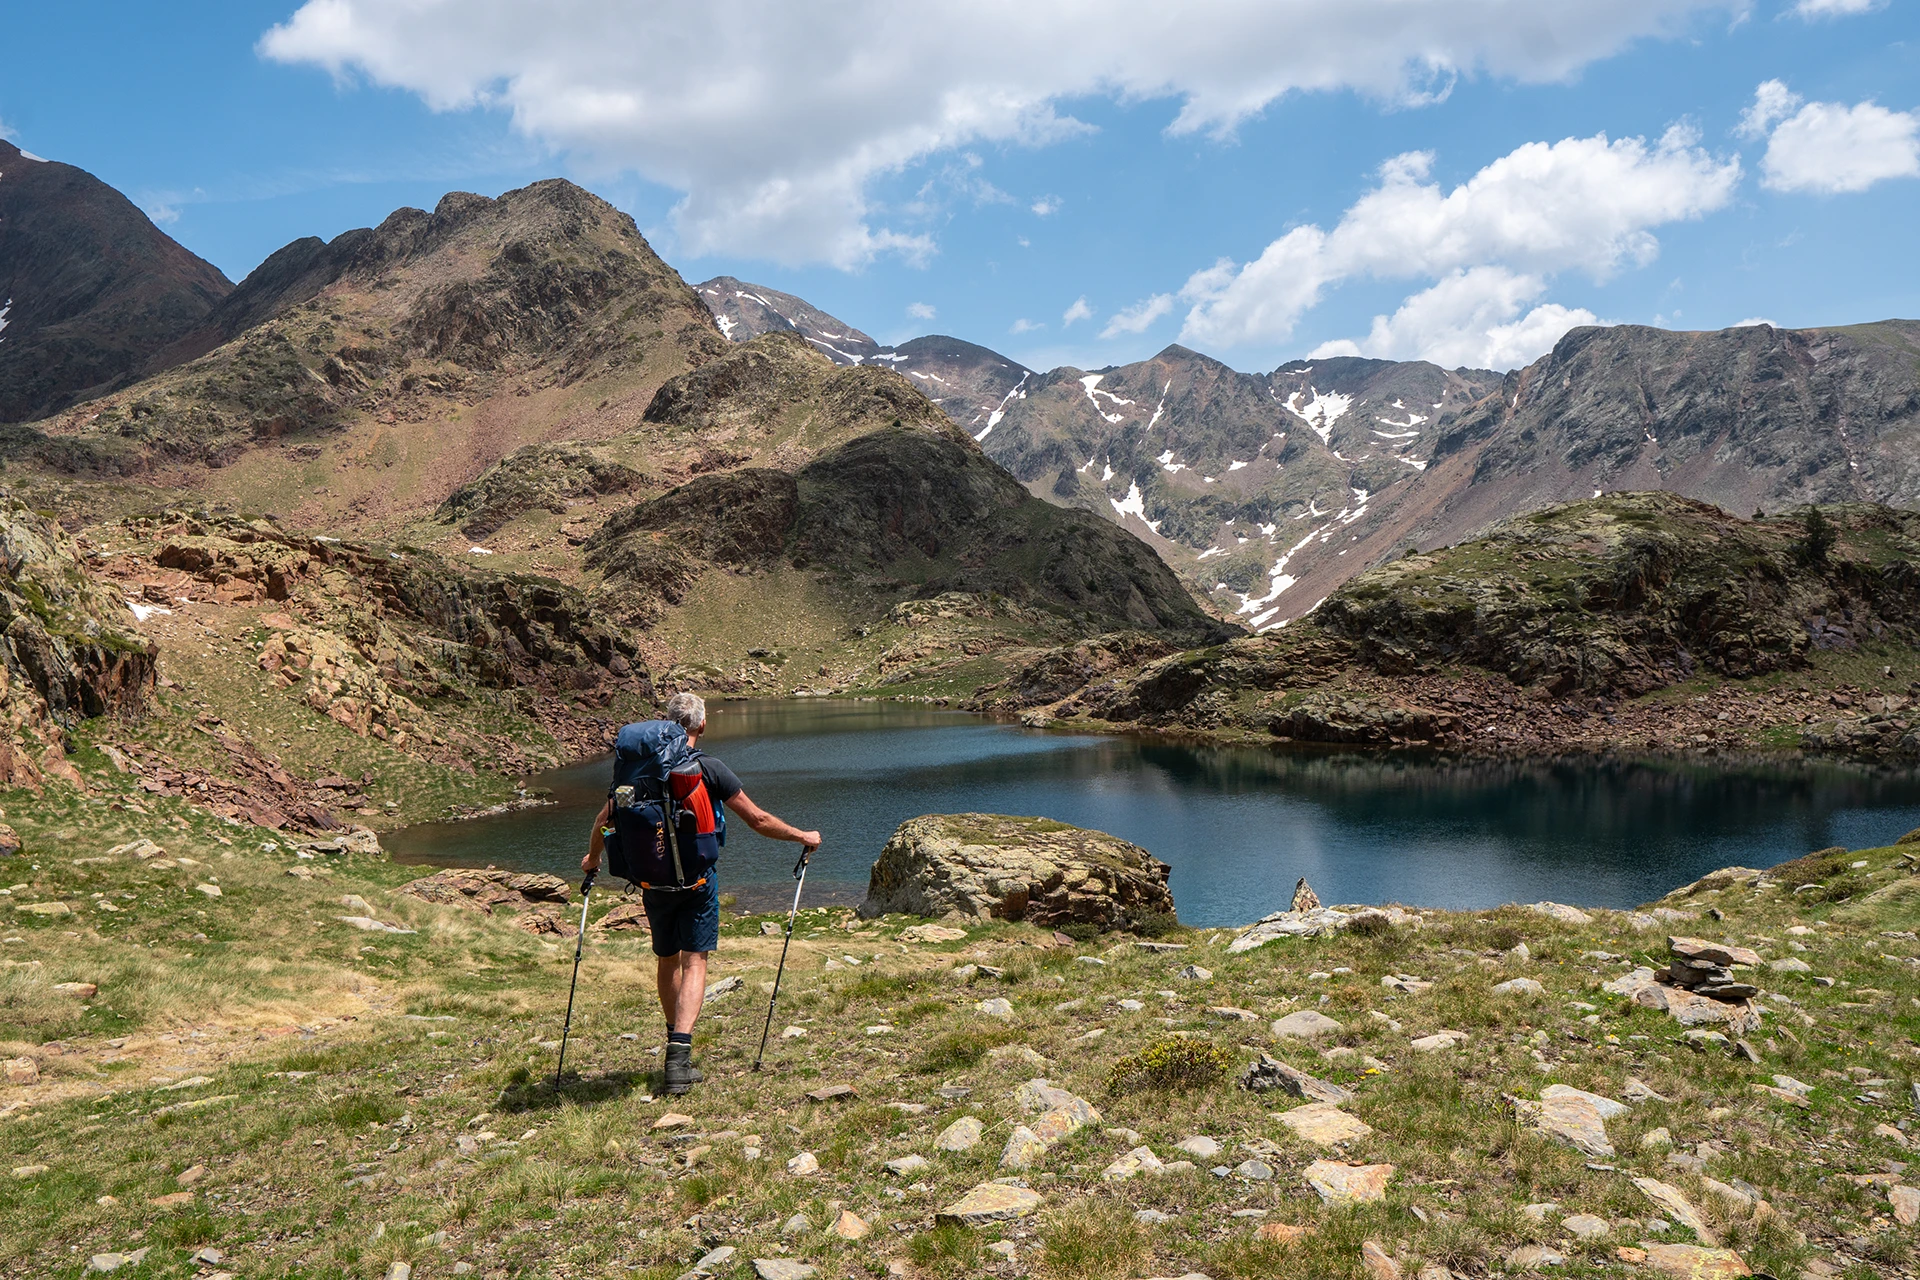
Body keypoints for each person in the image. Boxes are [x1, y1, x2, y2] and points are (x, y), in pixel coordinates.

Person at [583, 692, 820, 1094]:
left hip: (652, 883)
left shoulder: (635, 770)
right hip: (697, 882)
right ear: (703, 725)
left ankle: (672, 1037)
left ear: (668, 722)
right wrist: (803, 836)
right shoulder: (707, 767)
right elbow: (758, 819)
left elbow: (605, 820)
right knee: (695, 962)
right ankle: (679, 1059)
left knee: (666, 959)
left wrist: (592, 860)